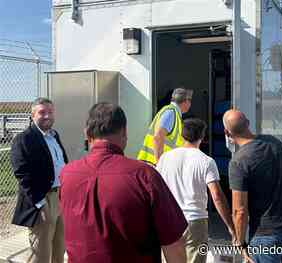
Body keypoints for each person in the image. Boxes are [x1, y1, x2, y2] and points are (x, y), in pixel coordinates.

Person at [59, 102, 188, 263]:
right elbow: (174, 245)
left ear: (87, 133)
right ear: (125, 133)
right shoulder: (144, 176)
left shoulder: (66, 174)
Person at [223, 109, 282, 263]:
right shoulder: (273, 142)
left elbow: (240, 211)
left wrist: (240, 243)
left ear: (226, 132)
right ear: (247, 123)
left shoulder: (238, 162)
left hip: (265, 234)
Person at [157, 118, 235, 263]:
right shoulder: (206, 161)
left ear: (181, 135)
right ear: (202, 137)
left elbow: (157, 190)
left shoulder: (164, 158)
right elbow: (217, 195)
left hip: (169, 219)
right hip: (195, 221)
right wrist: (230, 225)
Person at [10, 97, 68, 263]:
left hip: (59, 196)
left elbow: (61, 162)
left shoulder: (54, 135)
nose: (47, 116)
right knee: (41, 253)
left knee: (59, 248)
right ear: (33, 115)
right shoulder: (24, 139)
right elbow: (22, 173)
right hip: (42, 200)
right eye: (42, 112)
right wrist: (40, 203)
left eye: (50, 112)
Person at [137, 87, 193, 165]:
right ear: (185, 101)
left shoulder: (174, 114)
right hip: (154, 164)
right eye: (190, 100)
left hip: (156, 164)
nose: (190, 104)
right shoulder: (171, 113)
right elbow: (158, 137)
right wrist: (160, 163)